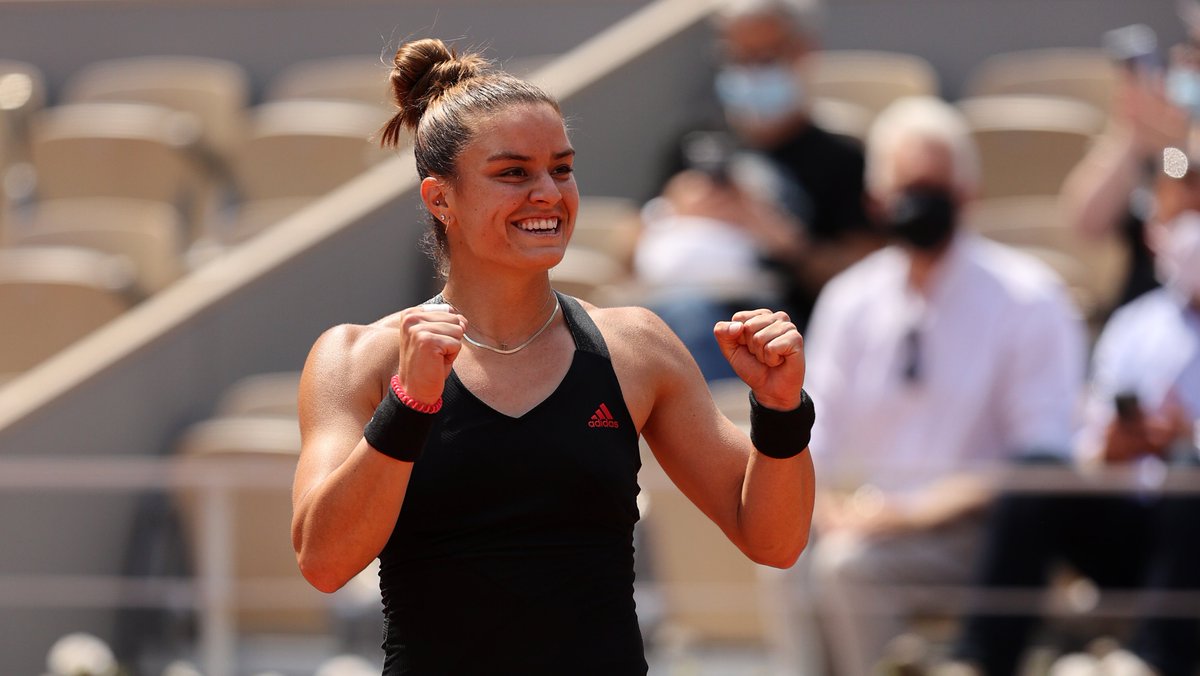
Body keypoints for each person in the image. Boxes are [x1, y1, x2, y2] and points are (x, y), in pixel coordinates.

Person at [289, 38, 816, 675]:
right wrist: (409, 406)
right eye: (513, 172)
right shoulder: (356, 356)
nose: (548, 192)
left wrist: (781, 410)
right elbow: (323, 561)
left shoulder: (636, 346)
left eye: (561, 169)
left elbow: (775, 540)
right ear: (440, 199)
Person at [799, 96, 1086, 676]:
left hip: (987, 537)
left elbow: (1043, 457)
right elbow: (815, 434)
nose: (919, 203)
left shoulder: (1028, 297)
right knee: (778, 548)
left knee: (847, 567)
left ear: (968, 194)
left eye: (935, 186)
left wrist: (910, 513)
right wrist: (822, 506)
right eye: (905, 188)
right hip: (875, 528)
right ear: (876, 200)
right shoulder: (850, 301)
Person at [948, 149, 1200, 676]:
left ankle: (1156, 661)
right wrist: (1110, 450)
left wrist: (1189, 439)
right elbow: (1088, 444)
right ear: (1155, 224)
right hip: (1134, 533)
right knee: (1037, 473)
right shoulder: (1135, 325)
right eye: (1179, 216)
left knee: (1189, 476)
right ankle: (977, 661)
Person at [635, 0, 878, 379]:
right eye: (736, 58)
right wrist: (673, 209)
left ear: (803, 54)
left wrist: (782, 239)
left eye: (764, 57)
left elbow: (870, 279)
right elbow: (626, 245)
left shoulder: (841, 157)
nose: (748, 72)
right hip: (676, 308)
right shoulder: (691, 139)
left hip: (784, 326)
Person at [1058, 41, 1193, 310]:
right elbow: (1087, 222)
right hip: (1143, 319)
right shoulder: (1151, 150)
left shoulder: (1179, 152)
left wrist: (1178, 144)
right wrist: (1134, 133)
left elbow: (1182, 206)